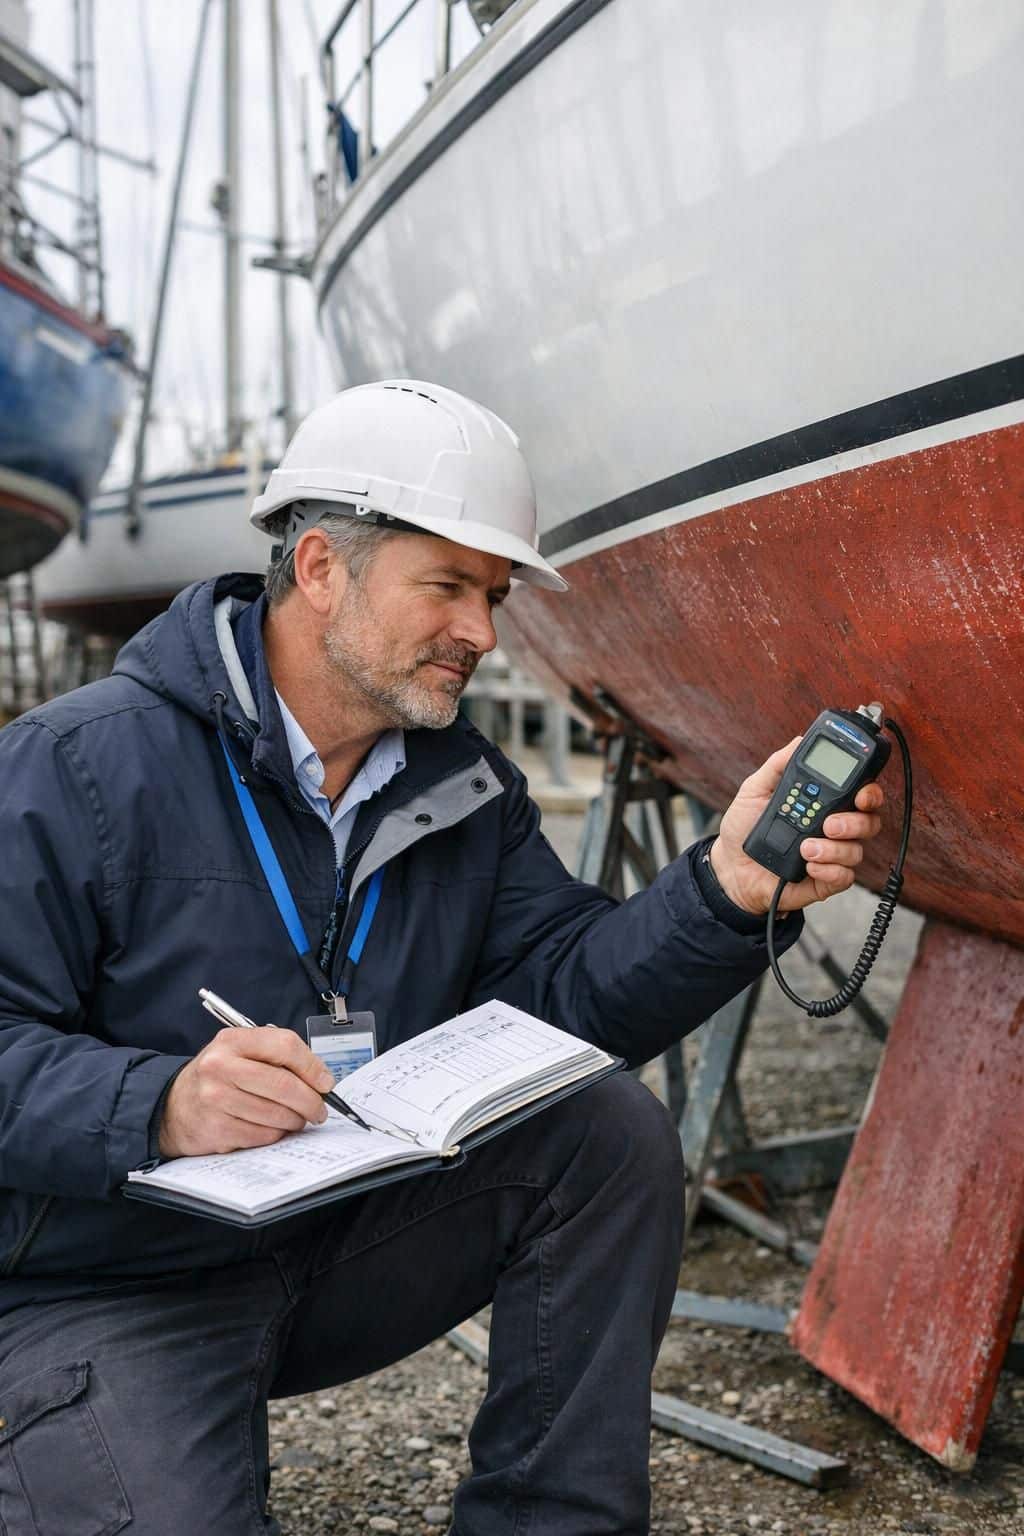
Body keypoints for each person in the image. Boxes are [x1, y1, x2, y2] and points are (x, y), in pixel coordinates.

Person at [0, 381, 883, 1536]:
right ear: (320, 567)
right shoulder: (71, 767)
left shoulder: (461, 784)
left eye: (494, 594)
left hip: (329, 1240)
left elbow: (564, 1004)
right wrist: (158, 1102)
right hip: (109, 1286)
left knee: (605, 1133)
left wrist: (726, 892)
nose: (483, 631)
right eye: (449, 587)